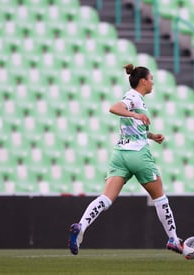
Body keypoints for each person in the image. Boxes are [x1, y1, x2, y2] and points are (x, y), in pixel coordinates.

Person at [68, 64, 182, 255]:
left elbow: (134, 128)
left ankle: (81, 226)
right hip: (138, 155)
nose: (153, 82)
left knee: (106, 198)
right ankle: (173, 239)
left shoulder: (138, 100)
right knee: (160, 197)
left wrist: (152, 136)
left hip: (120, 154)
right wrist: (135, 113)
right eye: (151, 78)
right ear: (143, 81)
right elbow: (114, 108)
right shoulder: (133, 97)